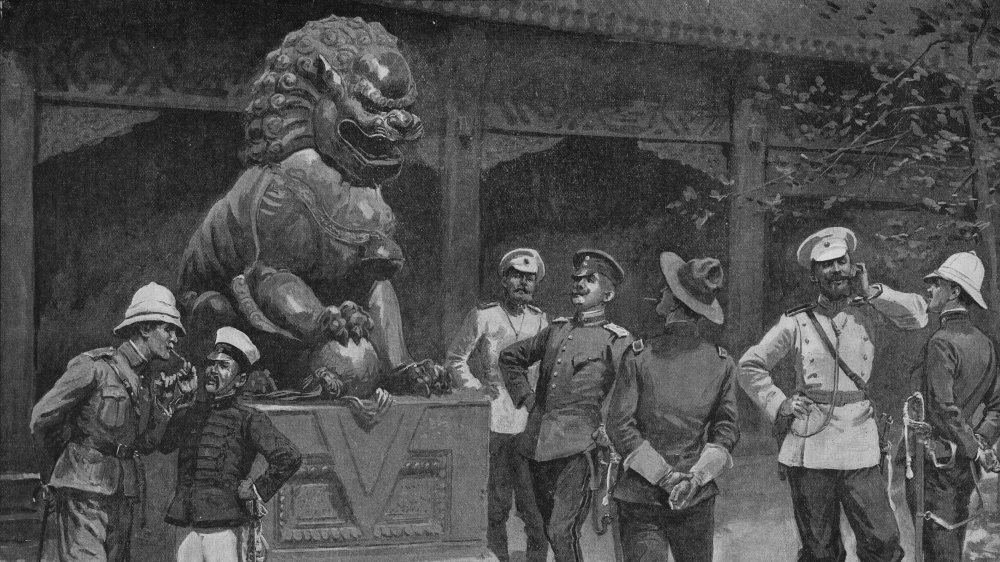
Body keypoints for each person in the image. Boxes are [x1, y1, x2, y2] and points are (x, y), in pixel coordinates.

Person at [738, 227, 928, 562]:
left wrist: (874, 291)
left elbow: (918, 316)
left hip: (859, 442)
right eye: (826, 265)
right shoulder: (796, 322)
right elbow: (749, 365)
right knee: (820, 549)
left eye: (841, 261)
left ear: (853, 266)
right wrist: (780, 403)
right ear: (814, 274)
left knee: (883, 542)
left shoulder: (869, 309)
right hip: (811, 446)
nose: (836, 269)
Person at [30, 282, 196, 561]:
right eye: (168, 329)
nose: (174, 339)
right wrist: (51, 477)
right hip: (84, 493)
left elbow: (145, 444)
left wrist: (172, 403)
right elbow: (41, 419)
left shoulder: (145, 384)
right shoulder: (94, 367)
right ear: (144, 329)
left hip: (122, 495)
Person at [499, 249, 633, 562]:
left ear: (608, 293)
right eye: (576, 279)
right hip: (538, 445)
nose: (579, 285)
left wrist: (605, 426)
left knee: (561, 529)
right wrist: (529, 400)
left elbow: (627, 391)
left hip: (580, 448)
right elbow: (509, 358)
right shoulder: (557, 330)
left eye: (590, 280)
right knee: (548, 528)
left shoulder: (617, 340)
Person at [607, 253, 739, 562]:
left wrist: (665, 478)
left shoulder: (638, 354)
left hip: (641, 495)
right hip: (696, 496)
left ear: (676, 301)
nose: (661, 291)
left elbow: (619, 425)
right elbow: (727, 430)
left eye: (666, 287)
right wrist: (693, 479)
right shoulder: (722, 362)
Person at [159, 327, 302, 562]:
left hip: (225, 532)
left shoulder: (249, 418)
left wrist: (256, 490)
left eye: (223, 366)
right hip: (188, 529)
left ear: (240, 380)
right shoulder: (190, 412)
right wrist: (181, 399)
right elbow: (165, 446)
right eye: (212, 364)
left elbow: (290, 456)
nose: (213, 371)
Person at [445, 248, 550, 562]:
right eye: (516, 276)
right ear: (505, 279)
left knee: (535, 510)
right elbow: (454, 360)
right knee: (496, 507)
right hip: (495, 423)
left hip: (530, 425)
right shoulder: (485, 315)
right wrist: (477, 391)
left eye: (530, 278)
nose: (523, 283)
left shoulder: (541, 319)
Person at [906, 251, 1000, 561]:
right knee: (952, 544)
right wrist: (980, 444)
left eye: (936, 283)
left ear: (955, 291)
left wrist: (972, 448)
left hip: (934, 463)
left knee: (938, 549)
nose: (929, 289)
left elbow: (944, 409)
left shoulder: (941, 341)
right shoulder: (986, 343)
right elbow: (997, 407)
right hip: (964, 465)